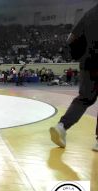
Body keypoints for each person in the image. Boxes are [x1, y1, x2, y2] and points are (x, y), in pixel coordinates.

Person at [50, 3, 98, 151]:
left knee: (83, 99)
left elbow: (72, 38)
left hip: (88, 63)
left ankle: (62, 126)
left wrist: (76, 55)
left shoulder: (90, 13)